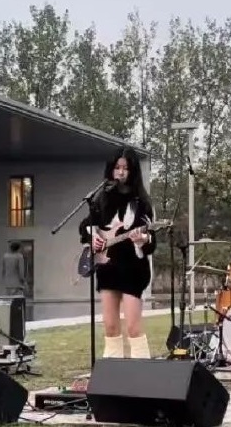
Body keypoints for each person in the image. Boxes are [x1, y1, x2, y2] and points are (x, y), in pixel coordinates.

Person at [79, 148, 156, 360]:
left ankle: (141, 372)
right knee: (111, 327)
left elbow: (152, 242)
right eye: (117, 168)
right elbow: (85, 226)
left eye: (125, 168)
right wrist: (92, 238)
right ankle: (112, 372)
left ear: (133, 171)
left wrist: (143, 240)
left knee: (133, 327)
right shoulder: (101, 198)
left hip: (133, 269)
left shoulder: (142, 202)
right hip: (107, 267)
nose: (120, 172)